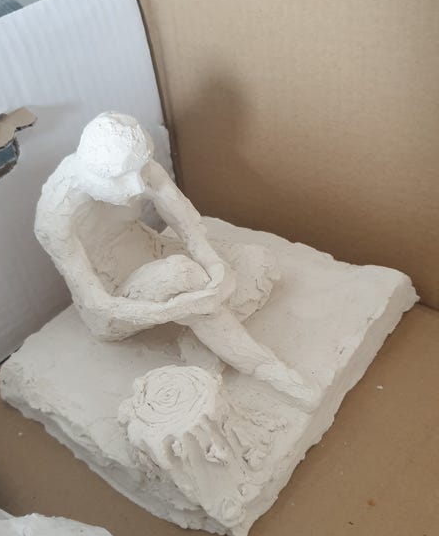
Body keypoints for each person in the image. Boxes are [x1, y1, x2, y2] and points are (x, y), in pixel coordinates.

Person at [35, 112, 315, 408]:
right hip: (115, 297)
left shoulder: (138, 169)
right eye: (122, 178)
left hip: (152, 250)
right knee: (182, 273)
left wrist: (216, 267)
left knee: (260, 262)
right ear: (93, 173)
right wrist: (178, 308)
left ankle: (200, 339)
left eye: (141, 169)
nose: (138, 186)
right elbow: (99, 304)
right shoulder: (57, 215)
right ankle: (267, 369)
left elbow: (188, 225)